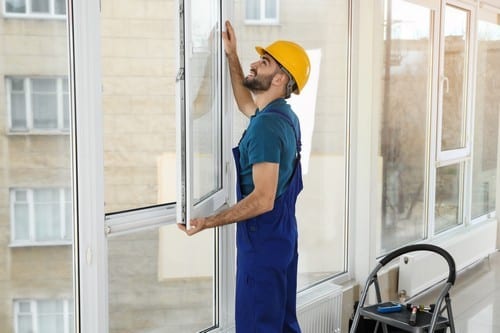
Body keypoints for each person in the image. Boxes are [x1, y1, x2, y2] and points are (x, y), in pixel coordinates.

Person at [178, 20, 310, 333]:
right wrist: (231, 56)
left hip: (263, 245)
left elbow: (263, 199)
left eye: (263, 62)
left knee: (258, 327)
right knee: (282, 324)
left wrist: (207, 221)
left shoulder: (267, 126)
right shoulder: (281, 116)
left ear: (279, 78)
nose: (255, 63)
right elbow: (246, 103)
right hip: (282, 238)